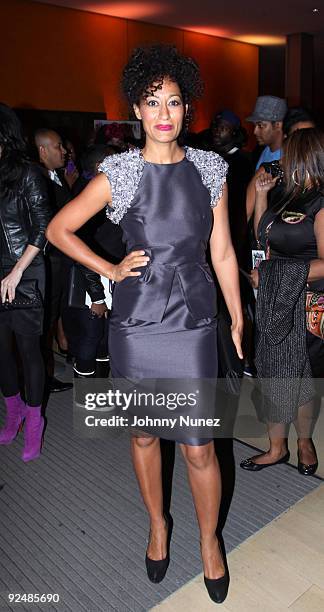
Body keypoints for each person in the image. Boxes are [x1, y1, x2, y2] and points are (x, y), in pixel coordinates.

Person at [46, 44, 243, 604]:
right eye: (153, 102)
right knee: (142, 432)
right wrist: (109, 267)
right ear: (136, 108)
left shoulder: (210, 169)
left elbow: (224, 252)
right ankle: (158, 524)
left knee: (200, 445)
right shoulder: (121, 171)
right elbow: (60, 230)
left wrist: (234, 317)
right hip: (136, 322)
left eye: (174, 102)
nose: (164, 113)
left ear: (187, 110)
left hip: (193, 320)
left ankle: (210, 540)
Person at [241, 128, 324, 476]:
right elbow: (264, 237)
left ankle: (304, 442)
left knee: (304, 377)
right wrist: (261, 196)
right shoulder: (285, 194)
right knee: (274, 373)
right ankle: (276, 448)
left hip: (310, 302)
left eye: (287, 156)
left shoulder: (322, 203)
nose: (280, 162)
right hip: (275, 300)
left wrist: (277, 275)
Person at [0, 104, 51, 461]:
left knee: (29, 351)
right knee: (1, 351)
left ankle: (34, 422)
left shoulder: (29, 173)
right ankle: (13, 413)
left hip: (25, 270)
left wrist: (18, 270)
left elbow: (45, 227)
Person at [34, 128, 74, 392]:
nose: (64, 151)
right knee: (44, 319)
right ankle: (39, 378)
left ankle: (42, 374)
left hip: (59, 259)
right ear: (43, 150)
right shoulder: (36, 178)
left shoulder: (57, 176)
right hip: (48, 260)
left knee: (52, 316)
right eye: (59, 146)